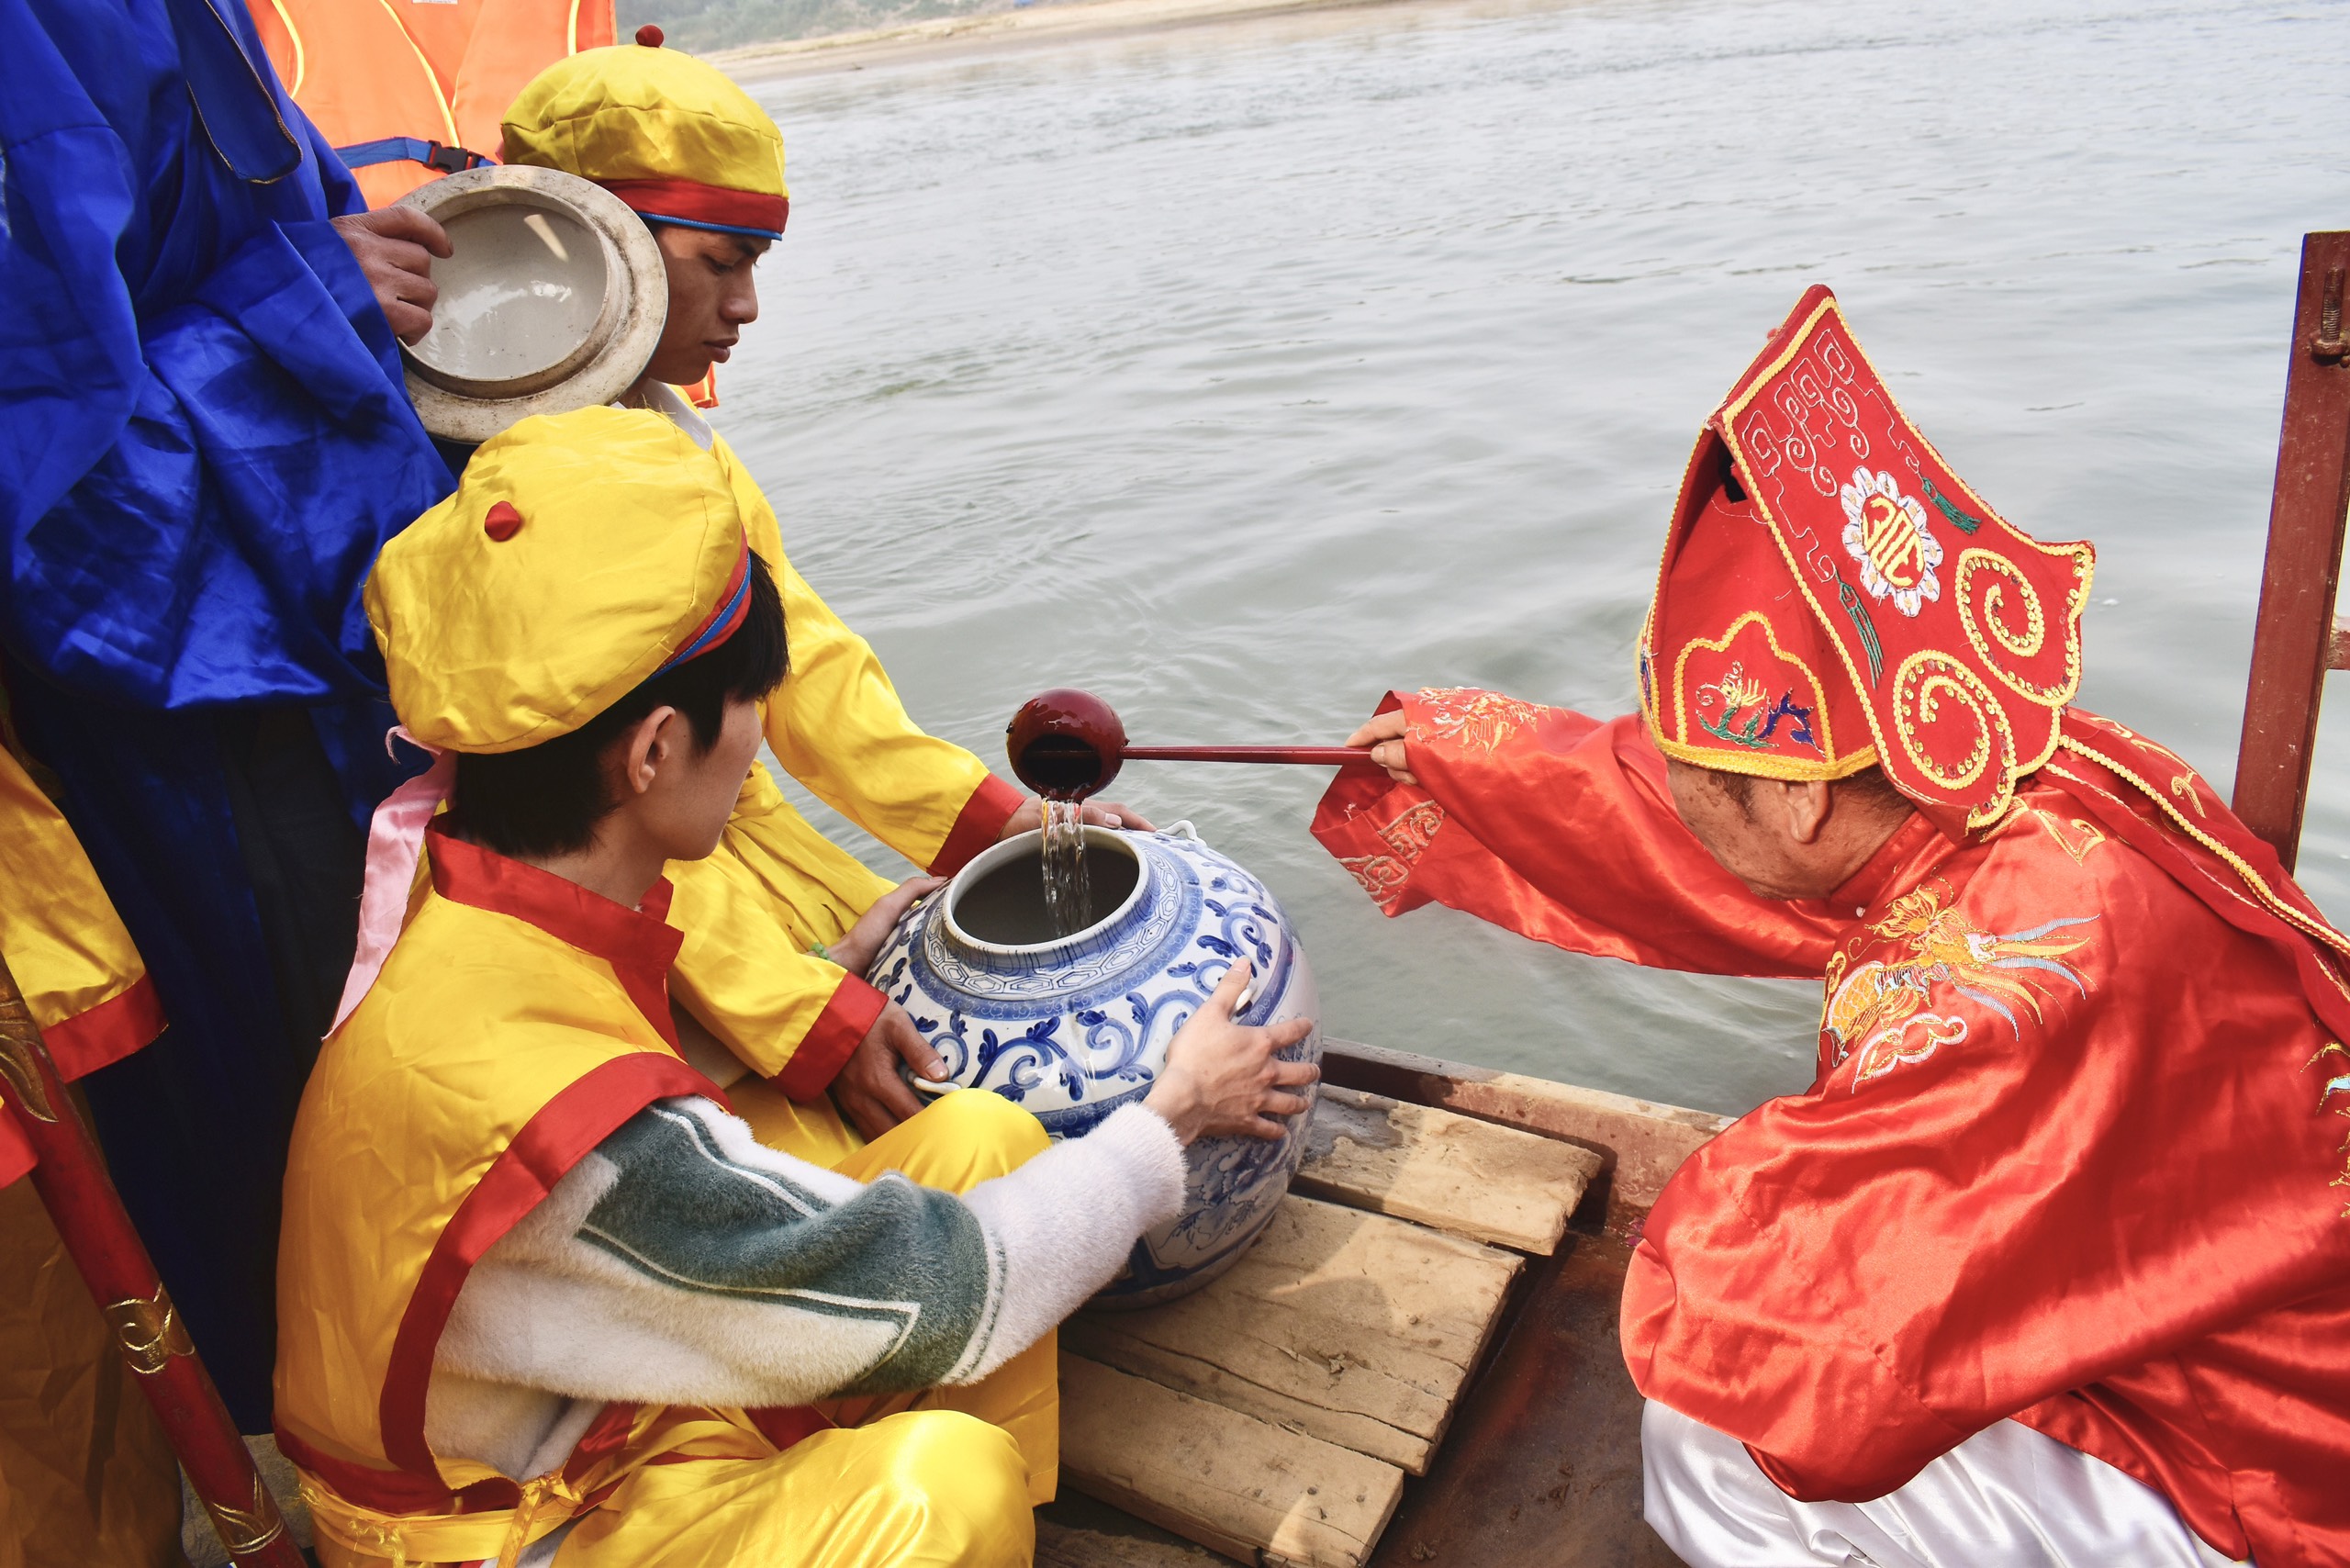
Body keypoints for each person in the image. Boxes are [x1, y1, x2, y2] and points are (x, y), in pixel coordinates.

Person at [1316, 286, 2350, 1568]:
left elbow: (1796, 1333)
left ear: (1803, 795)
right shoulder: (2013, 764)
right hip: (2222, 1306)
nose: (1674, 789)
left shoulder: (2009, 983)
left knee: (1713, 1430)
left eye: (1702, 771)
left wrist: (1705, 1228)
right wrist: (1474, 753)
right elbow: (1694, 833)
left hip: (2264, 1461)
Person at [274, 406, 1316, 1566]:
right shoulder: (569, 1119)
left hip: (591, 1402)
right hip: (519, 1524)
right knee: (938, 1488)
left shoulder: (472, 913)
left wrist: (825, 971)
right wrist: (1171, 1114)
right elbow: (956, 1287)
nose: (765, 734)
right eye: (752, 707)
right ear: (654, 750)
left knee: (975, 1132)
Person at [489, 34, 1142, 1157]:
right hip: (636, 931)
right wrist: (799, 1014)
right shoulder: (496, 491)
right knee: (937, 1157)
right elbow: (595, 823)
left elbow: (811, 670)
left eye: (758, 267)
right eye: (720, 261)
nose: (746, 307)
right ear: (589, 249)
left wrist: (1002, 823)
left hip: (738, 854)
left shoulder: (674, 435)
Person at [0, 0, 461, 1429]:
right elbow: (48, 464)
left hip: (312, 627)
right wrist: (304, 304)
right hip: (167, 695)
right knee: (290, 1082)